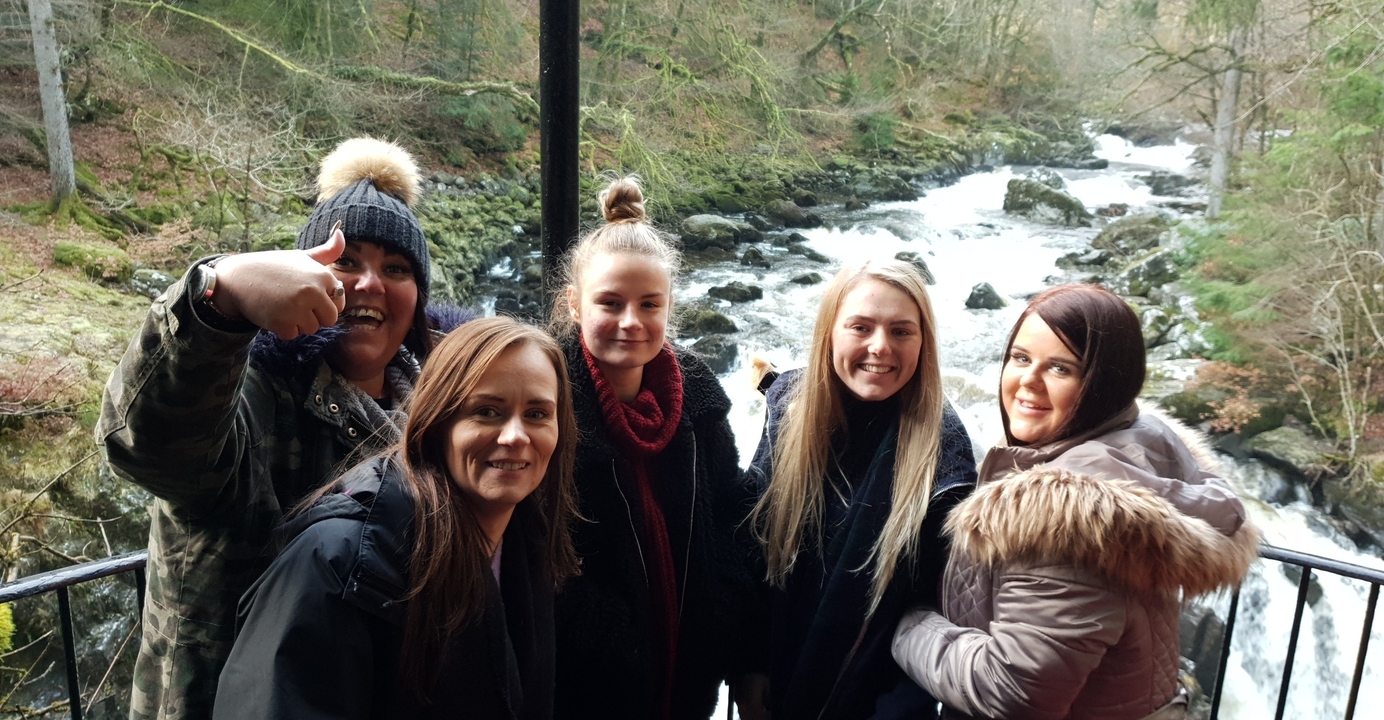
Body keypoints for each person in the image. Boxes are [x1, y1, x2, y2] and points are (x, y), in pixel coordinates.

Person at [97, 137, 454, 720]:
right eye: (346, 260)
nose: (370, 283)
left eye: (397, 268)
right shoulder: (248, 396)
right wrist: (218, 298)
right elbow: (145, 443)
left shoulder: (440, 418)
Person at [891, 284, 1260, 720]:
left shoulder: (1068, 522)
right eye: (1021, 358)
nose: (1028, 381)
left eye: (1061, 369)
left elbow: (1010, 691)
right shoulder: (1138, 446)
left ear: (1105, 385)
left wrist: (906, 624)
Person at [213, 317, 579, 719]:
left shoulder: (528, 542)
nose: (515, 436)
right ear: (438, 422)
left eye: (537, 414)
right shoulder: (340, 562)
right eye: (488, 411)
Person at [549, 177, 758, 720]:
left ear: (670, 307)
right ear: (573, 305)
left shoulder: (699, 403)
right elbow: (537, 546)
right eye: (610, 303)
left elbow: (731, 514)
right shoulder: (547, 400)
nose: (631, 322)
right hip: (589, 690)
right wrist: (618, 643)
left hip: (690, 680)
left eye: (649, 304)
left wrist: (723, 624)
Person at [747, 259, 978, 720]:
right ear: (830, 332)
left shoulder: (944, 457)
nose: (880, 347)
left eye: (901, 331)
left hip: (879, 699)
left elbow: (937, 609)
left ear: (924, 343)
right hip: (775, 672)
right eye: (861, 327)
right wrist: (749, 667)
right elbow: (754, 552)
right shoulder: (790, 412)